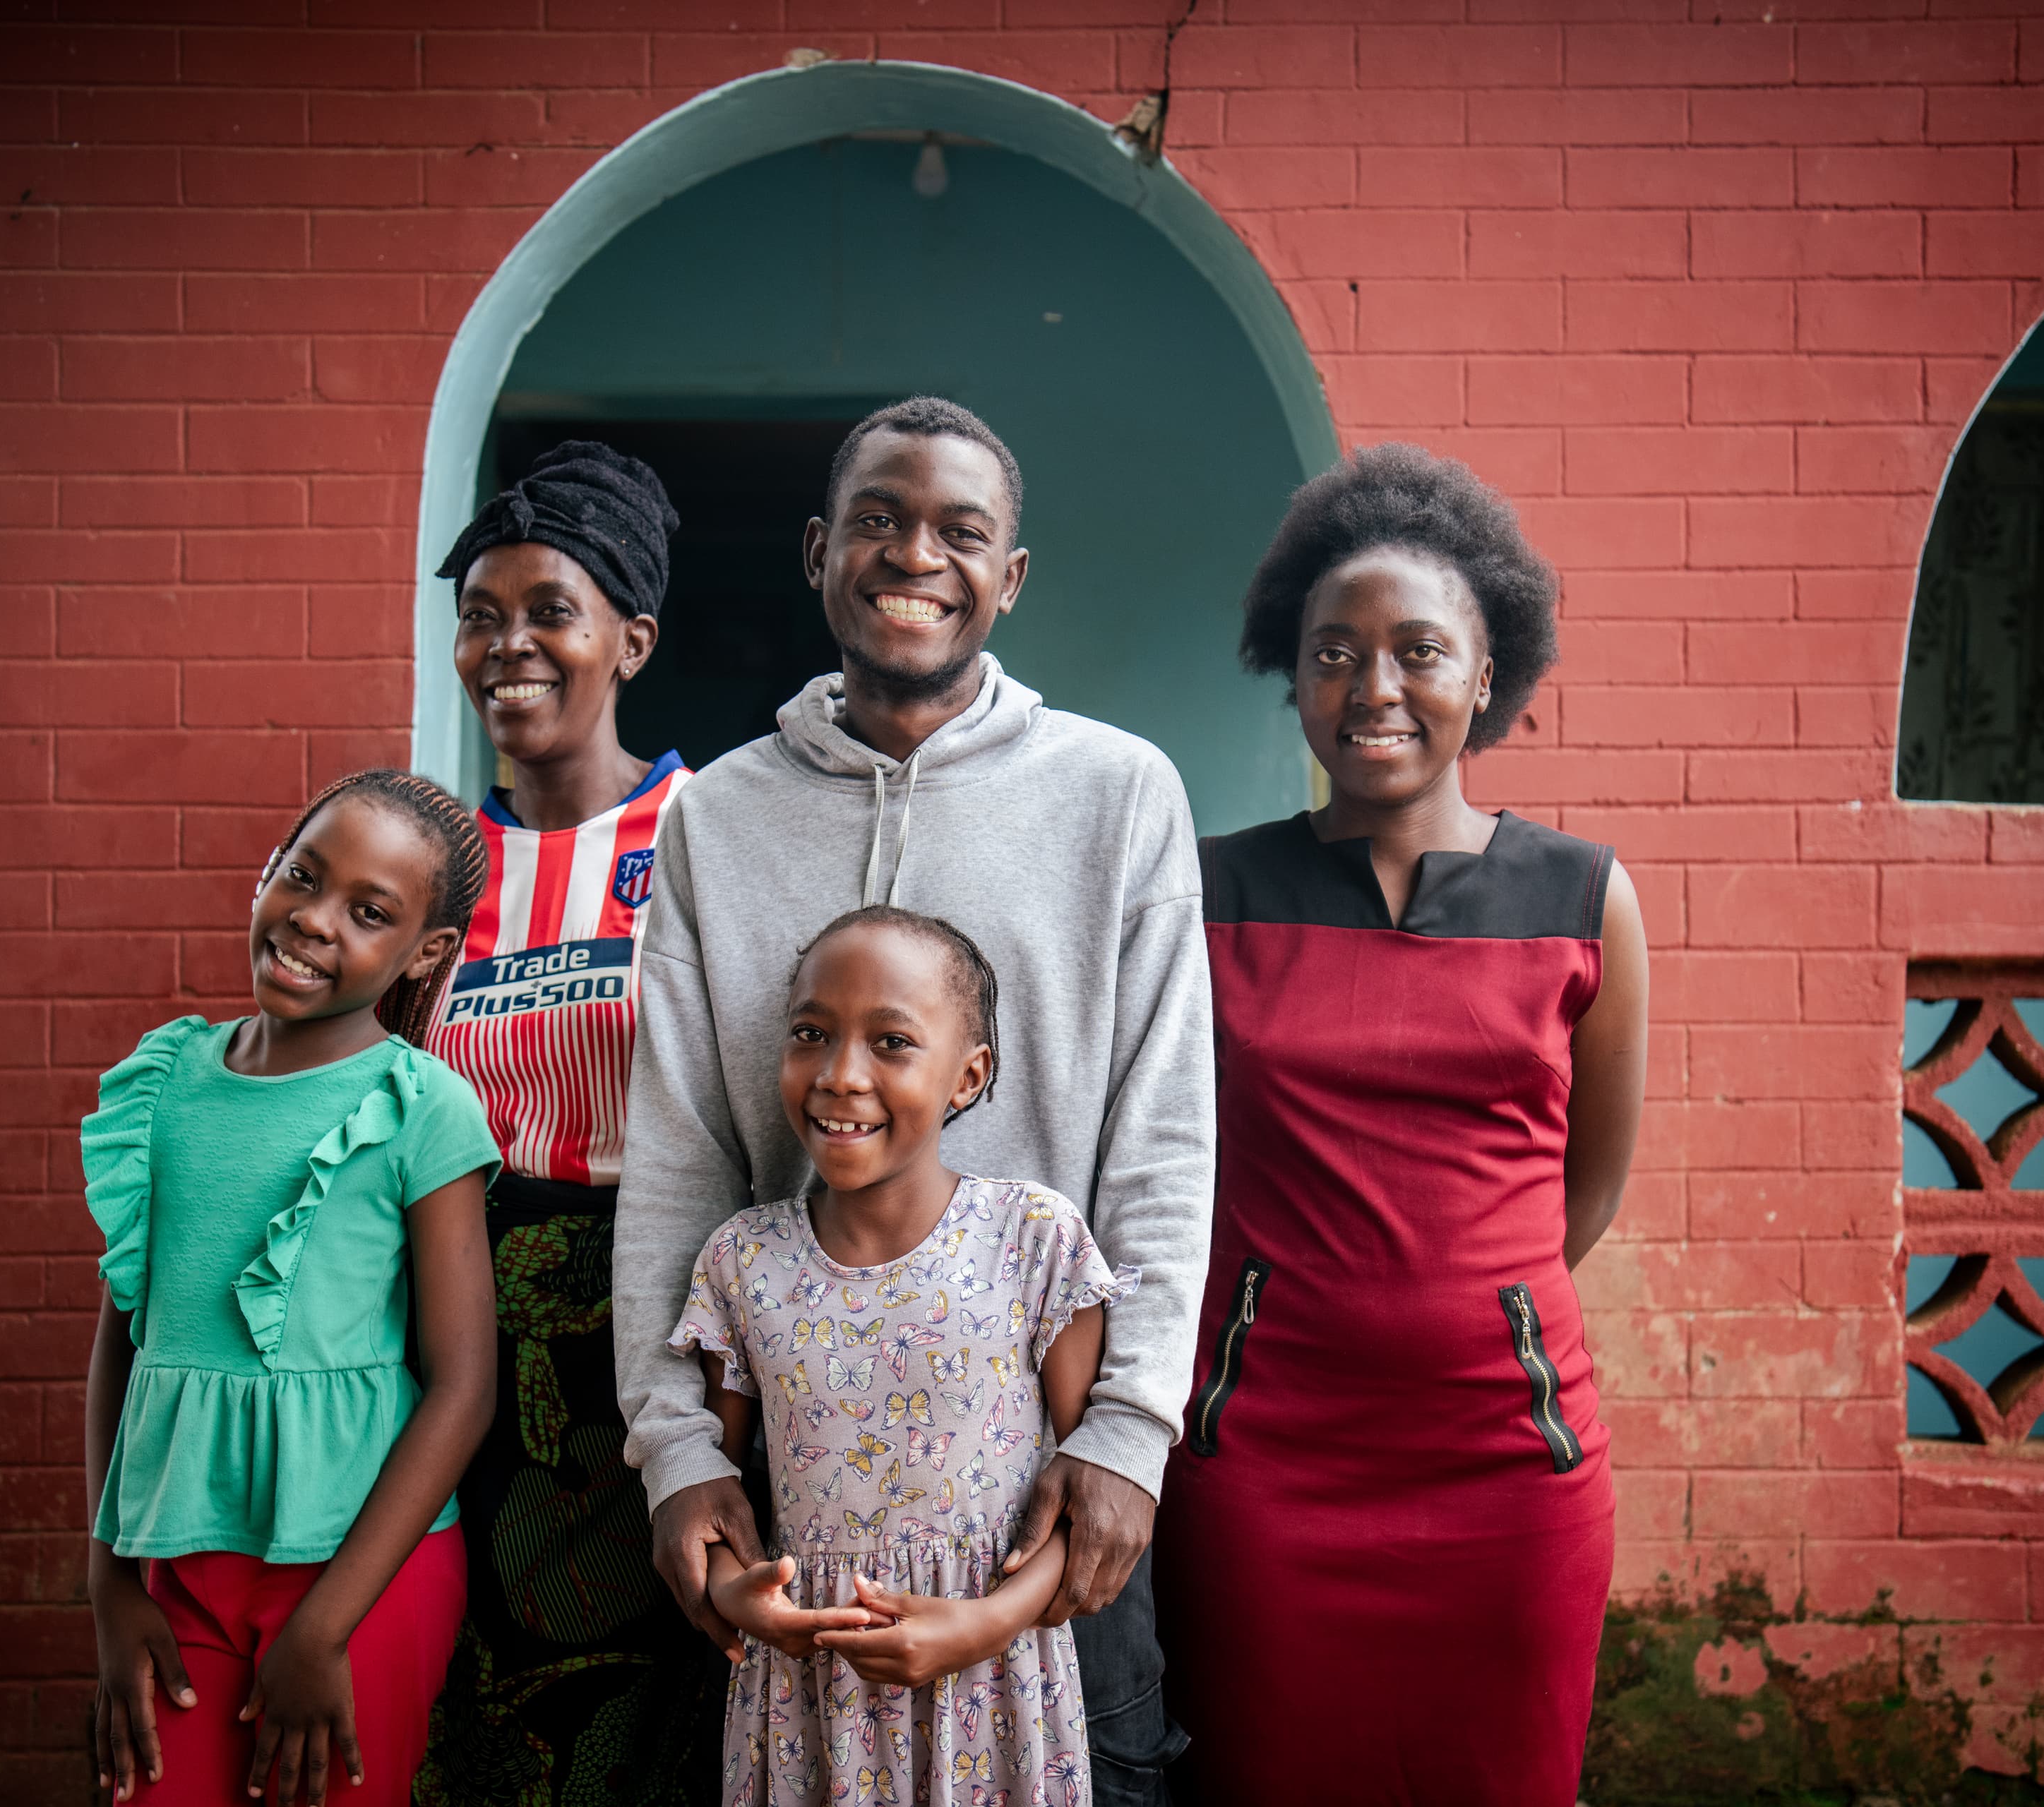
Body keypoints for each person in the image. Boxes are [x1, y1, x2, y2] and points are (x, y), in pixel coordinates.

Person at [612, 397, 1213, 1805]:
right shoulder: (719, 815)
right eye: (878, 518)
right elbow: (682, 1149)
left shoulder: (1120, 794)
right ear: (820, 550)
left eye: (961, 530)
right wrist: (678, 1448)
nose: (914, 554)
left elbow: (1167, 1138)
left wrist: (1129, 1430)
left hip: (1047, 1504)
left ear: (1010, 579)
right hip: (801, 1503)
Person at [1154, 445, 1650, 1806]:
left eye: (1419, 651)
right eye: (1334, 654)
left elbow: (1585, 1188)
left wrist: (1475, 1309)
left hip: (1510, 1464)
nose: (1375, 689)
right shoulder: (1210, 894)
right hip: (1263, 1462)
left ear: (1487, 675)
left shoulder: (1583, 897)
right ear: (1293, 674)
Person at [81, 770, 503, 1807]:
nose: (313, 922)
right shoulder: (165, 1079)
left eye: (369, 913)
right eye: (301, 877)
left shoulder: (422, 1108)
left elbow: (462, 1388)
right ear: (268, 871)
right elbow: (125, 1340)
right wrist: (106, 1582)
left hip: (365, 1580)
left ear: (426, 953)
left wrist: (326, 1626)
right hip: (174, 1564)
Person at [411, 444, 723, 1806]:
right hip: (454, 1351)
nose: (507, 646)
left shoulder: (715, 831)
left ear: (631, 641)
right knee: (473, 1720)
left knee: (646, 1733)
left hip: (652, 1341)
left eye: (551, 611)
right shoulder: (430, 868)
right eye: (481, 615)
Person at [674, 906, 1131, 1805]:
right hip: (811, 1692)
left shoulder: (1033, 1241)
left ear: (969, 1076)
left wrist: (985, 1623)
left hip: (996, 1678)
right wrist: (738, 1596)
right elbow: (716, 1496)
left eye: (892, 1042)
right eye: (813, 1033)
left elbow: (1083, 1494)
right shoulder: (741, 1261)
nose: (841, 1076)